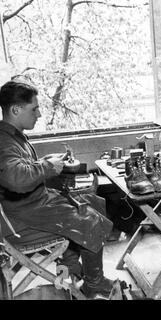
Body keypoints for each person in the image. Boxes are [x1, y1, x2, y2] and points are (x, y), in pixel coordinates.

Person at [0, 80, 115, 299]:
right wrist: (47, 167)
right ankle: (94, 283)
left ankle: (73, 272)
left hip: (29, 205)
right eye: (34, 109)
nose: (39, 114)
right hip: (19, 219)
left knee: (94, 202)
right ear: (15, 110)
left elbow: (16, 168)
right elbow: (15, 179)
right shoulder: (4, 142)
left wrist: (45, 161)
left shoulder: (11, 136)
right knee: (89, 219)